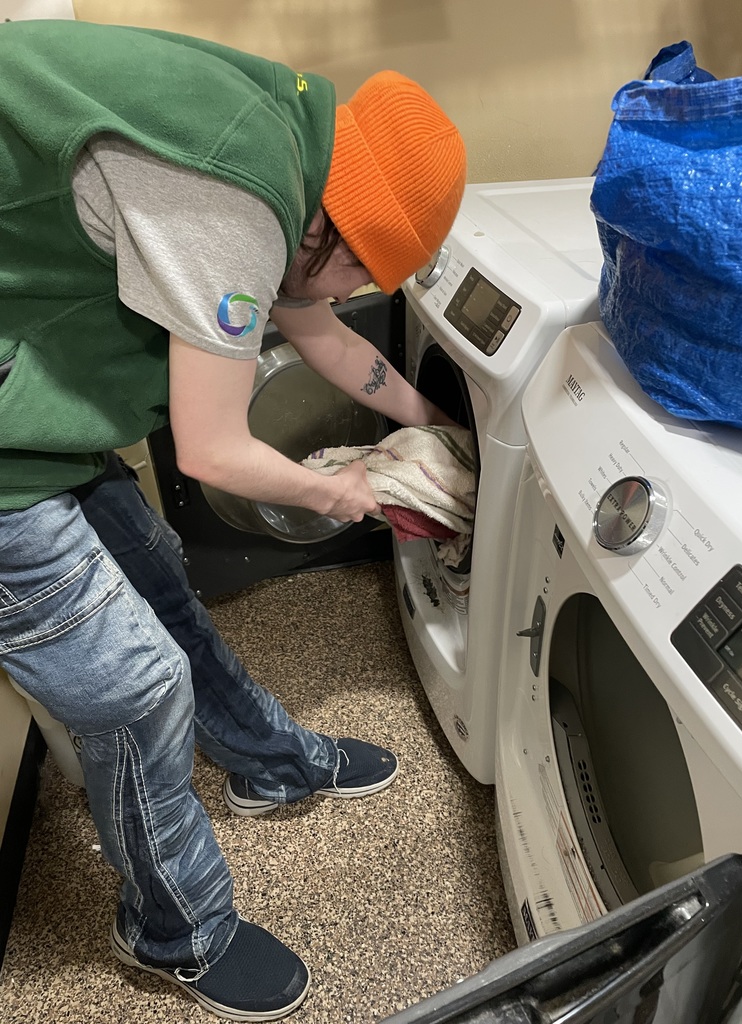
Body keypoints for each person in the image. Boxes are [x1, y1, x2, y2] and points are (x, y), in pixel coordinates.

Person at [0, 18, 466, 1022]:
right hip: (7, 443)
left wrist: (433, 425)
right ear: (329, 234)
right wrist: (350, 490)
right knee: (132, 683)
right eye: (359, 274)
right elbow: (213, 451)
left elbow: (317, 329)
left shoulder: (289, 146)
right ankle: (177, 930)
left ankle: (271, 764)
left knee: (159, 573)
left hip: (35, 385)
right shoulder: (232, 202)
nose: (350, 296)